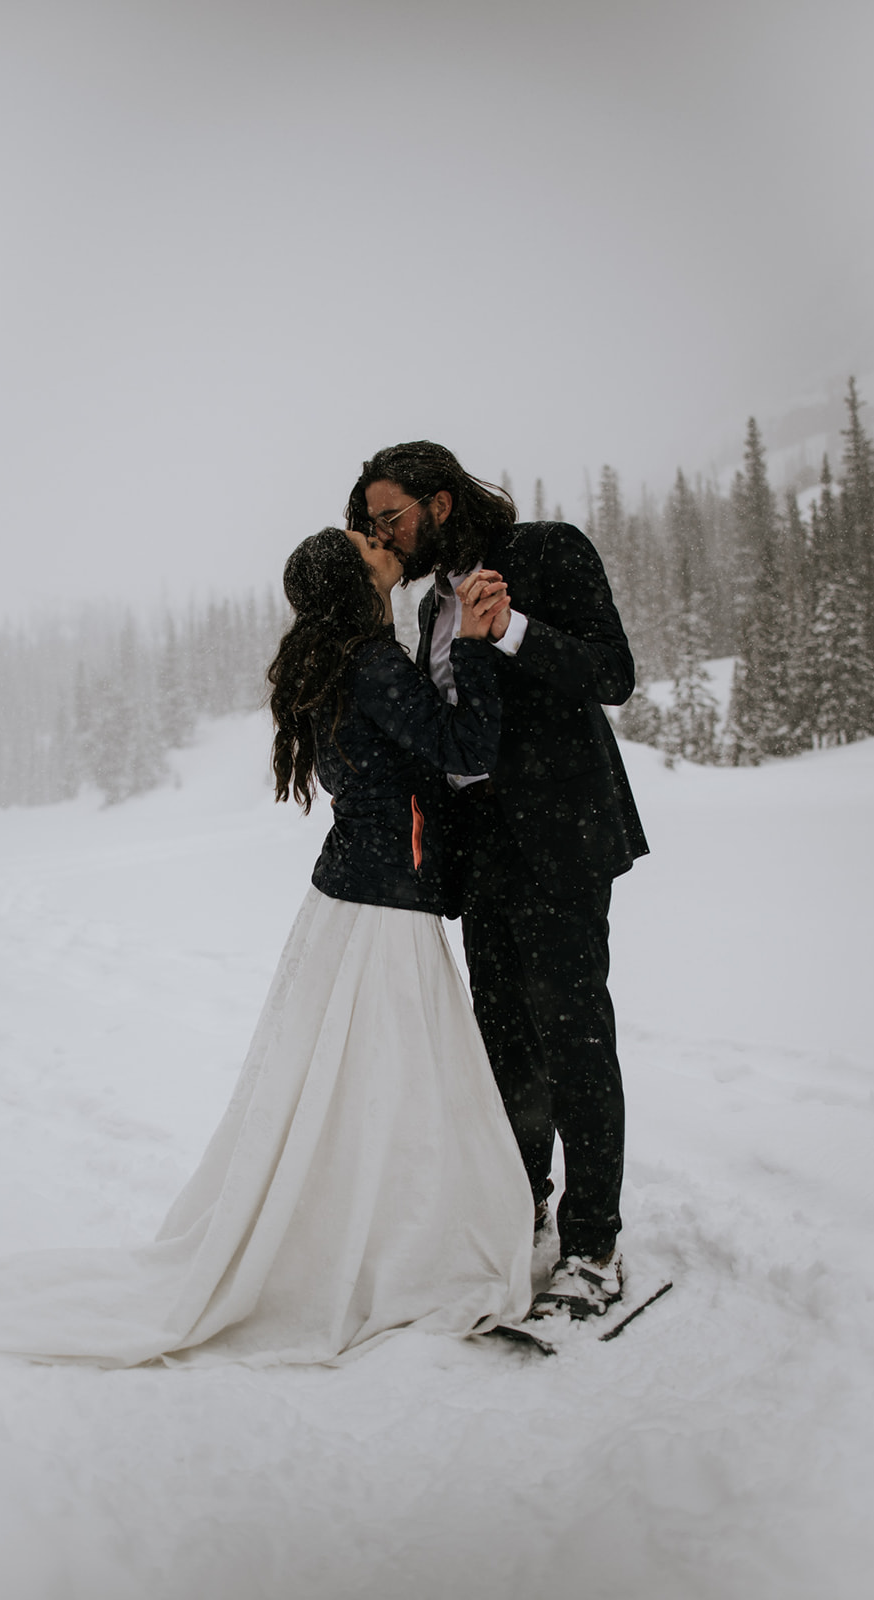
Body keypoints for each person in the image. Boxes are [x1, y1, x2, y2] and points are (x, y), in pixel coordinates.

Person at [0, 527, 533, 1367]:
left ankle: (360, 1228)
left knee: (359, 1081)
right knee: (393, 1078)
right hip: (381, 899)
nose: (382, 542)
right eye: (367, 543)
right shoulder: (372, 659)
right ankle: (389, 1247)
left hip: (356, 894)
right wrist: (475, 648)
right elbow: (468, 751)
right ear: (357, 583)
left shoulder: (341, 657)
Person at [347, 443, 649, 1318]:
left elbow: (613, 673)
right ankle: (520, 1207)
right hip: (480, 854)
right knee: (505, 1042)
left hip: (560, 838)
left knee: (574, 1036)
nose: (383, 535)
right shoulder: (429, 605)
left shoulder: (547, 551)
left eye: (390, 517)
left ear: (440, 503)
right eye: (372, 526)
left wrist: (512, 631)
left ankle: (594, 1245)